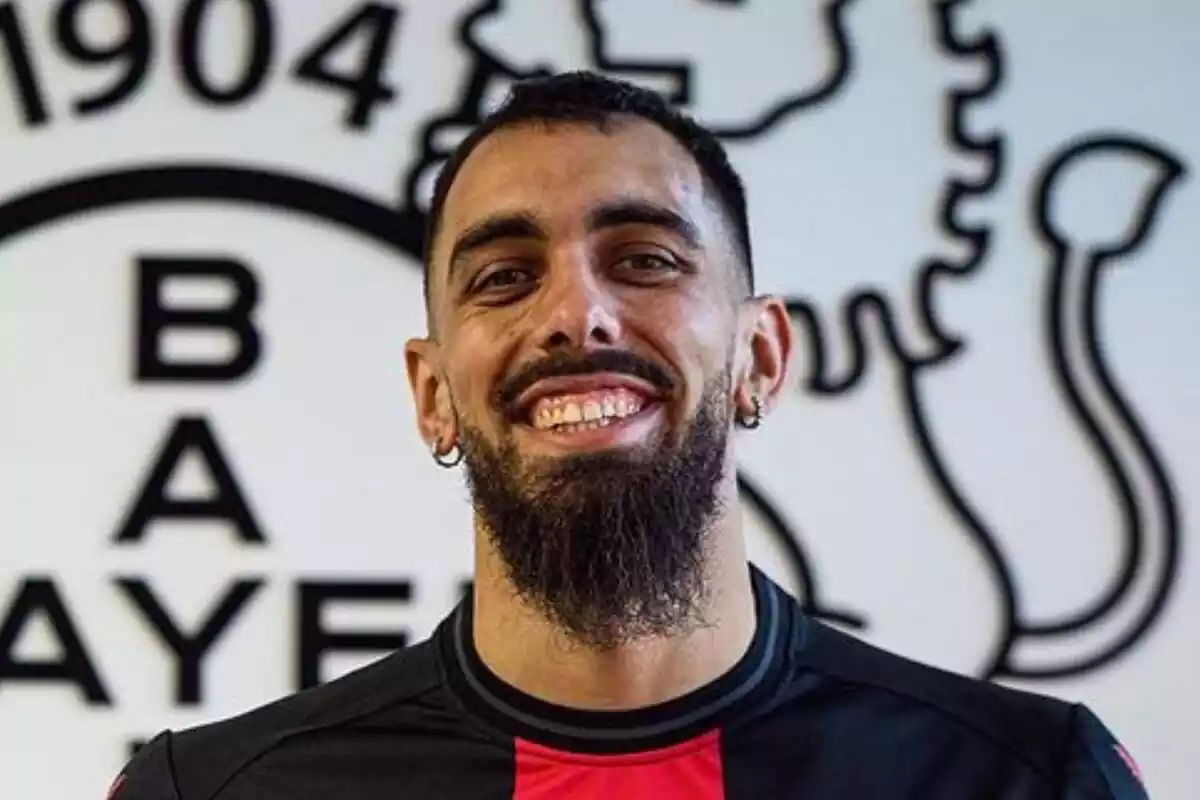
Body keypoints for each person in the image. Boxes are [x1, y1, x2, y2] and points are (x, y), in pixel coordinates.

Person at [111, 71, 1150, 799]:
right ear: (432, 392)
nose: (578, 315)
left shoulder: (1024, 776)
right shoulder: (210, 790)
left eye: (646, 259)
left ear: (762, 356)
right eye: (504, 277)